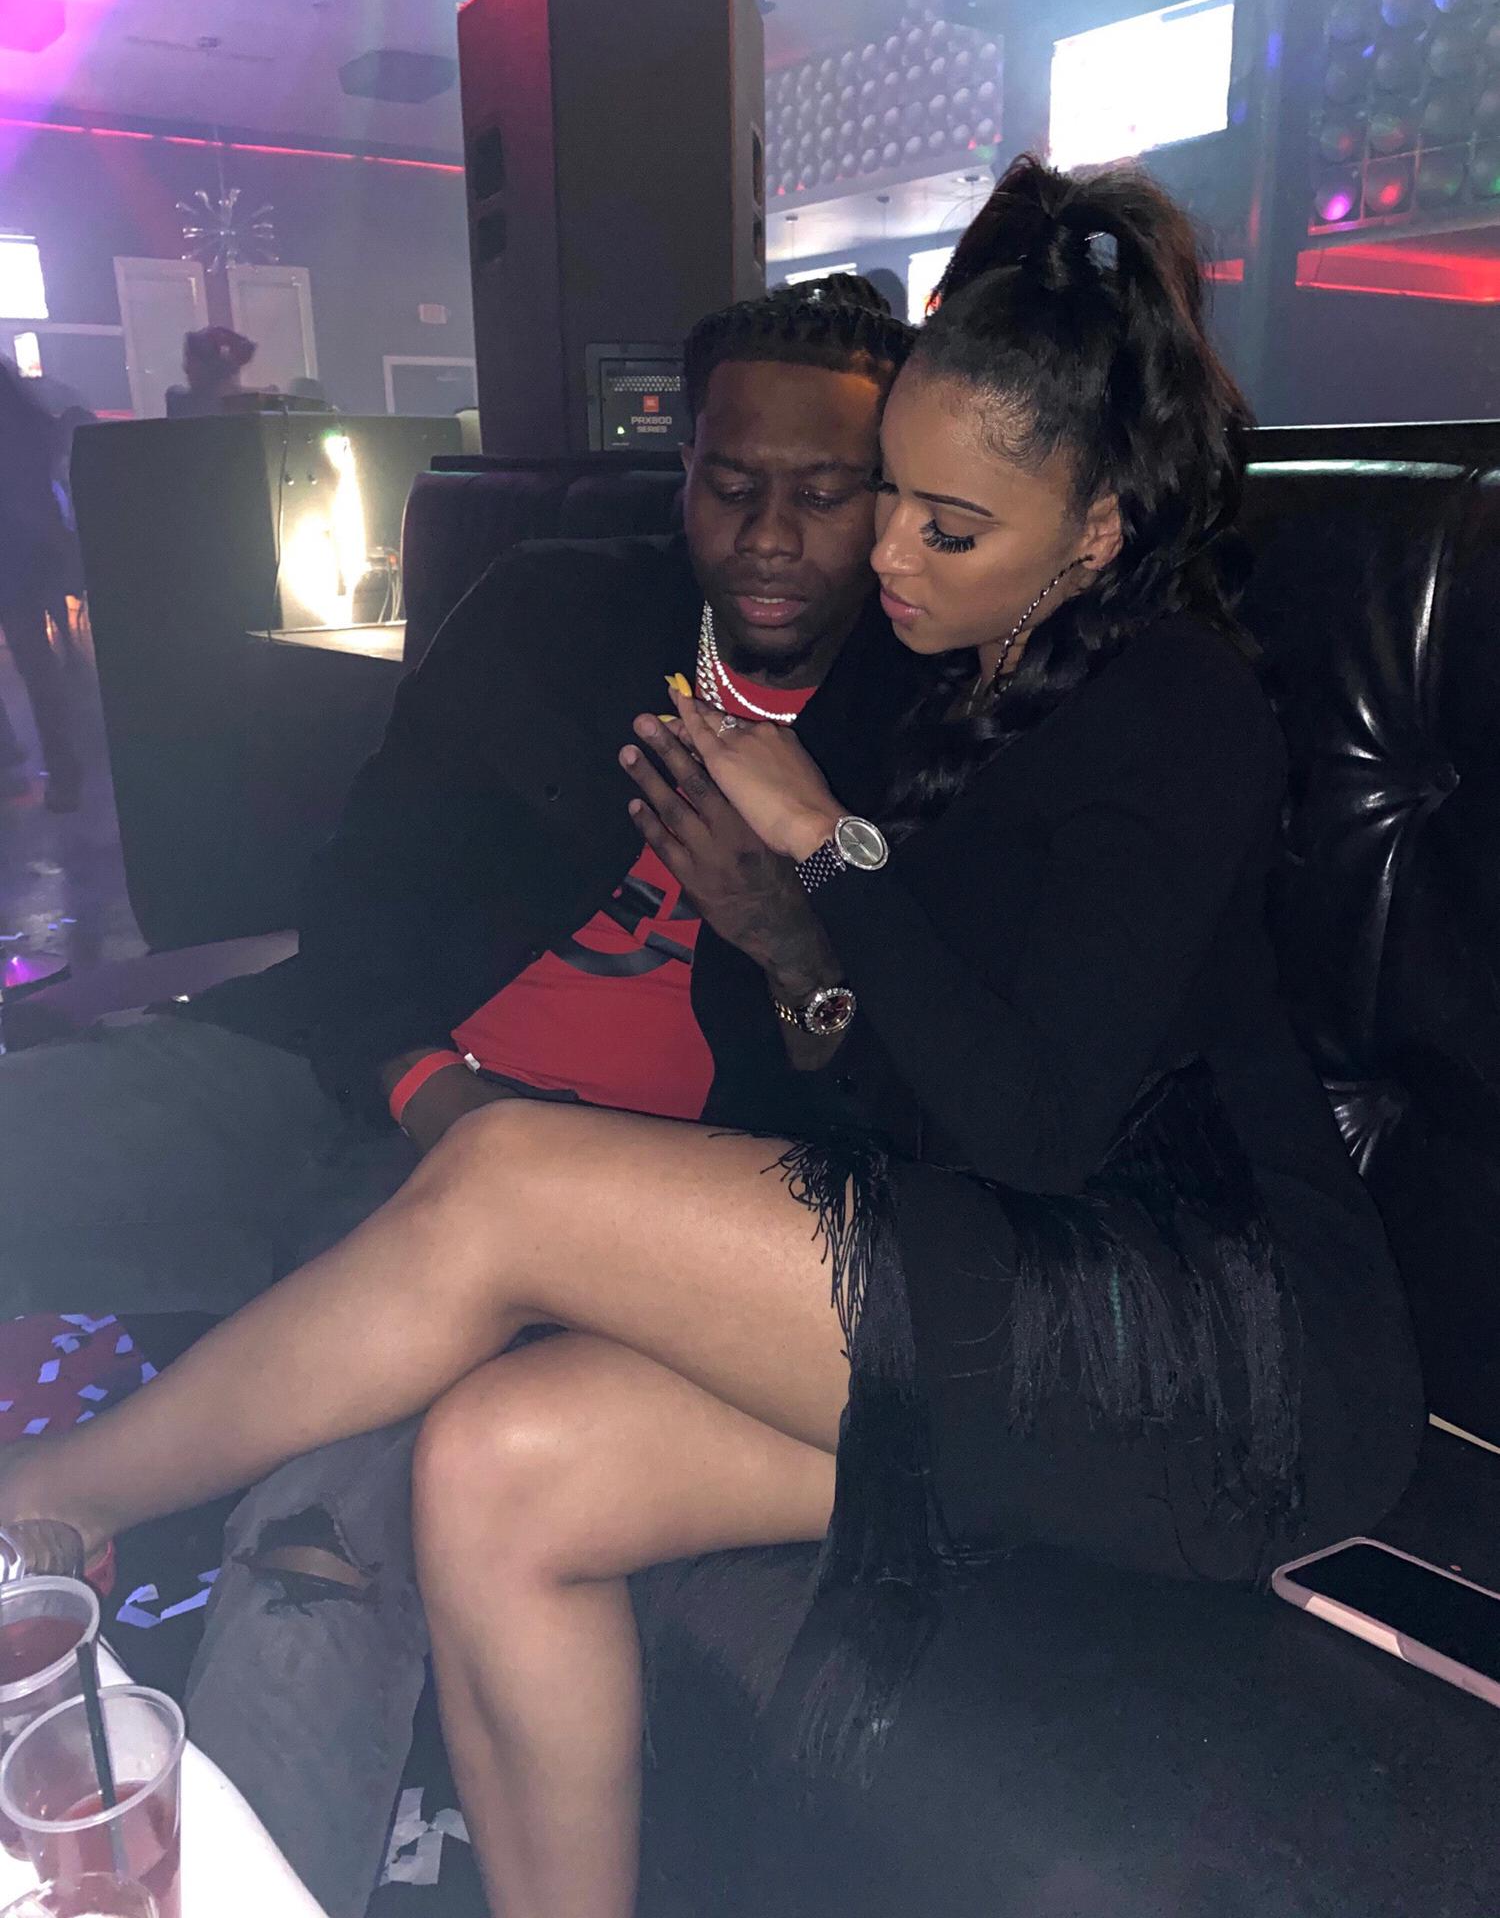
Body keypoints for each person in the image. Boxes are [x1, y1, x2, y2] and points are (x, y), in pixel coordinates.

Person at [0, 158, 1425, 1918]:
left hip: (1223, 1351)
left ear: (1097, 533)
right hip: (1014, 1287)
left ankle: (45, 1507)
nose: (881, 557)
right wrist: (801, 944)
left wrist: (827, 850)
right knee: (493, 1466)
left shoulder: (1176, 705)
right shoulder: (958, 684)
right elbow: (878, 1073)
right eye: (891, 499)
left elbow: (1037, 1131)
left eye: (941, 526)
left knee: (508, 1178)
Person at [0, 274, 916, 1912]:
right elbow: (358, 895)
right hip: (347, 1083)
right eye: (732, 483)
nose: (772, 535)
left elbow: (890, 1096)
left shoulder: (926, 723)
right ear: (683, 469)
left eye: (825, 492)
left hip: (573, 1230)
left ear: (890, 499)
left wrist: (789, 928)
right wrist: (438, 1101)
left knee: (322, 1553)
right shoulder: (558, 614)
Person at [0, 362, 82, 812]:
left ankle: (14, 764)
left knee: (35, 662)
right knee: (37, 665)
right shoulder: (23, 412)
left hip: (15, 550)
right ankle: (63, 772)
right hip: (28, 548)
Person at [164, 326, 257, 419]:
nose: (186, 369)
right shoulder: (178, 401)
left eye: (192, 363)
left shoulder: (179, 402)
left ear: (213, 368)